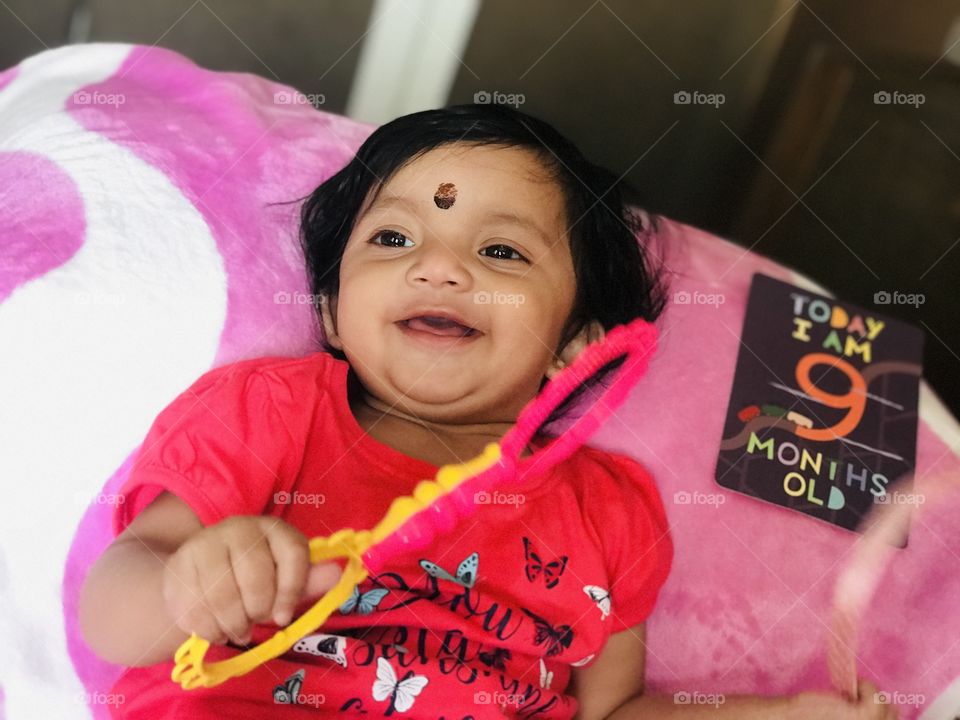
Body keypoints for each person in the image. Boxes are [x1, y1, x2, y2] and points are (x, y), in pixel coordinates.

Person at [80, 103, 896, 719]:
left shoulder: (613, 512)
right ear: (328, 313)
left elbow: (616, 711)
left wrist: (782, 716)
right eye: (393, 241)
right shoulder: (266, 414)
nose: (439, 268)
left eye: (500, 251)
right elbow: (111, 619)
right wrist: (187, 587)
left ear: (575, 345)